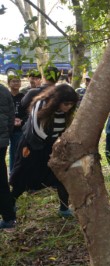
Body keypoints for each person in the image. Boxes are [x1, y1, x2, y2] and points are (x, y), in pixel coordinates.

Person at [10, 84, 78, 218]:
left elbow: (65, 130)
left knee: (60, 176)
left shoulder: (67, 112)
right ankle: (10, 203)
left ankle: (64, 209)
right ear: (57, 100)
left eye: (71, 104)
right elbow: (36, 129)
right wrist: (54, 143)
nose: (68, 107)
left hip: (53, 147)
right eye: (66, 104)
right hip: (33, 147)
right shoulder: (41, 103)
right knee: (24, 176)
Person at [0, 84, 16, 230]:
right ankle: (9, 217)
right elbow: (11, 118)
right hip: (2, 142)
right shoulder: (4, 90)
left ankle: (9, 217)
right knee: (1, 180)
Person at [7, 75, 28, 172]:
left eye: (18, 81)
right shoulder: (6, 96)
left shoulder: (23, 97)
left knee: (16, 151)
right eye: (13, 81)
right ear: (9, 83)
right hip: (7, 127)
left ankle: (15, 172)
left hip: (19, 129)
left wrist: (21, 121)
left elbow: (28, 113)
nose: (16, 83)